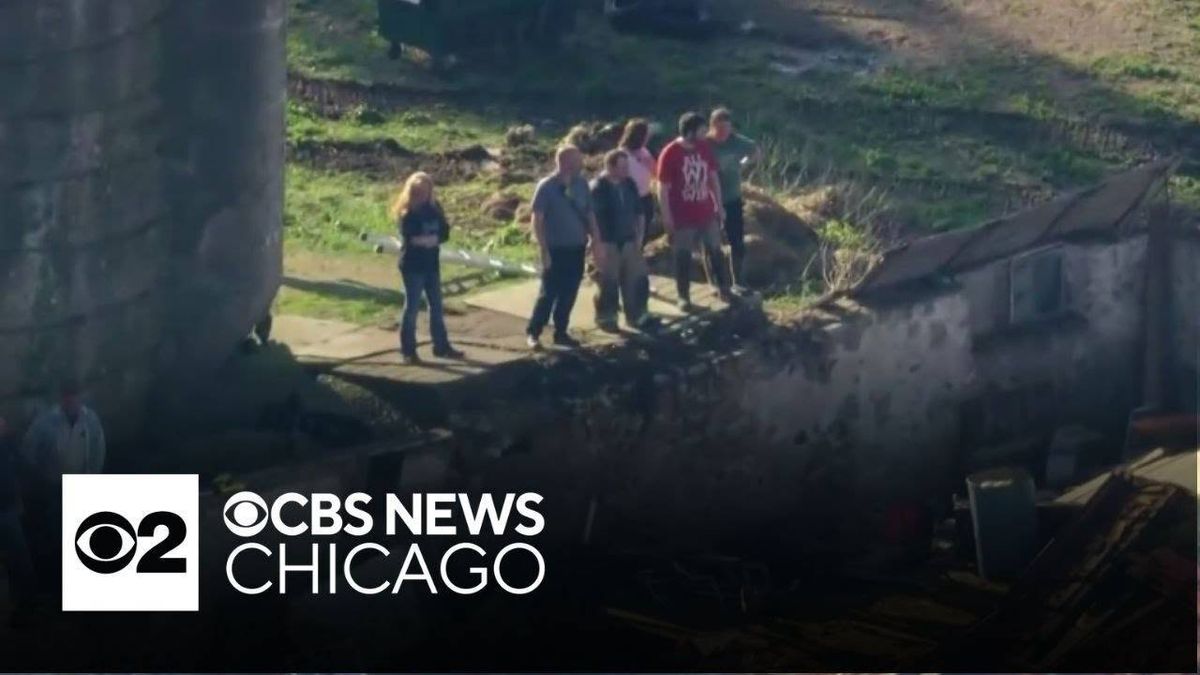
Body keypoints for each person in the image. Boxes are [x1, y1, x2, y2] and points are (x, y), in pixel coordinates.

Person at [21, 380, 105, 593]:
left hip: (82, 484)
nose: (71, 400)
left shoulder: (90, 419)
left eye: (75, 395)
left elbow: (98, 448)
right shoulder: (46, 421)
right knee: (57, 532)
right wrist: (41, 474)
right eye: (68, 396)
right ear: (61, 398)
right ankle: (59, 582)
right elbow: (29, 448)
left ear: (80, 397)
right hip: (55, 486)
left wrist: (93, 476)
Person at [526, 145, 601, 350]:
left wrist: (595, 237)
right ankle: (534, 332)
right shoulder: (546, 187)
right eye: (577, 160)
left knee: (569, 291)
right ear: (565, 162)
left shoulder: (581, 184)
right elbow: (537, 220)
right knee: (548, 292)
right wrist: (544, 249)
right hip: (555, 248)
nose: (581, 164)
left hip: (576, 247)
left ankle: (561, 332)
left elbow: (589, 213)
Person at [657, 111, 733, 311]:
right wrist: (667, 217)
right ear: (690, 131)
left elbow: (713, 177)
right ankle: (683, 296)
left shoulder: (704, 148)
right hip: (683, 214)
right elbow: (663, 188)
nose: (705, 133)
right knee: (683, 255)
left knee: (715, 250)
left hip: (706, 210)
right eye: (701, 129)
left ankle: (723, 288)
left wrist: (719, 205)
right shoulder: (670, 152)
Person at [389, 171, 464, 363]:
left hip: (431, 263)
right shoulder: (408, 212)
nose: (423, 195)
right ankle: (408, 351)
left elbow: (445, 231)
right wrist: (425, 240)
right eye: (419, 192)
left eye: (426, 191)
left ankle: (441, 346)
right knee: (412, 307)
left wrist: (434, 239)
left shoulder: (434, 208)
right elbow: (409, 236)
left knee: (436, 305)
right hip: (413, 265)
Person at [591, 149, 652, 332]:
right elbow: (592, 218)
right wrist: (596, 244)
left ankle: (636, 316)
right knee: (608, 281)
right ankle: (607, 317)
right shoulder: (598, 188)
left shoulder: (629, 184)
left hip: (629, 240)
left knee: (634, 279)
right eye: (622, 167)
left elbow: (639, 212)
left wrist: (639, 236)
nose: (626, 171)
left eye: (627, 167)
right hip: (608, 241)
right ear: (610, 167)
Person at [707, 107, 760, 290]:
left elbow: (755, 151)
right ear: (712, 126)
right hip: (708, 200)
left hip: (732, 197)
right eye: (719, 129)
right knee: (711, 243)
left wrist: (743, 163)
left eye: (726, 129)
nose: (723, 133)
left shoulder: (736, 141)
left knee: (736, 241)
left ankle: (738, 280)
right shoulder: (705, 143)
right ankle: (715, 282)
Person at [0, 416, 35, 628]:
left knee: (19, 562)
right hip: (7, 510)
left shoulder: (9, 445)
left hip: (8, 510)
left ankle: (22, 609)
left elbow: (23, 468)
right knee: (17, 562)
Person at [619, 118, 659, 243]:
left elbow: (657, 173)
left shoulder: (644, 151)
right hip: (628, 199)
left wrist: (649, 163)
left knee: (644, 232)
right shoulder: (621, 154)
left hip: (645, 197)